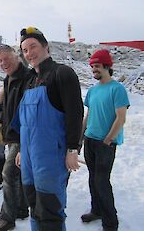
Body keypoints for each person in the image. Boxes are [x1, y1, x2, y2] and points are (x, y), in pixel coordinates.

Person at [16, 27, 84, 231]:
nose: (29, 53)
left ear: (46, 46)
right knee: (34, 206)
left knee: (51, 210)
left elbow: (75, 113)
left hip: (51, 157)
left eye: (33, 46)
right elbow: (24, 121)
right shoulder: (28, 80)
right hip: (29, 157)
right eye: (25, 50)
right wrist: (21, 148)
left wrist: (73, 149)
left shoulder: (61, 73)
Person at [81, 49, 130, 231]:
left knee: (102, 181)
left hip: (105, 143)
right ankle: (96, 210)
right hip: (90, 140)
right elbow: (89, 114)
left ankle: (111, 222)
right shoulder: (92, 91)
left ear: (107, 66)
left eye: (97, 66)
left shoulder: (117, 89)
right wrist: (81, 134)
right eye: (92, 66)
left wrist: (109, 139)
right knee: (93, 179)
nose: (94, 69)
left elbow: (121, 118)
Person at [0, 45, 29, 231]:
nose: (3, 63)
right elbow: (6, 102)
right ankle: (21, 208)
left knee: (8, 172)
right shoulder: (10, 78)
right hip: (11, 133)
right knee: (18, 172)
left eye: (7, 58)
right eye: (0, 60)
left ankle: (7, 218)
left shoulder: (28, 78)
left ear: (18, 57)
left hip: (23, 134)